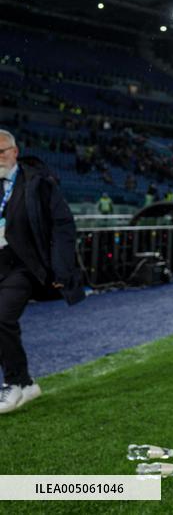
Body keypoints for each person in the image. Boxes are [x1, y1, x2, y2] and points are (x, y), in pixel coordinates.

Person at [0, 129, 85, 413]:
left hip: (23, 266)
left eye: (2, 151)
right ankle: (27, 386)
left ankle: (13, 384)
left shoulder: (38, 182)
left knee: (2, 317)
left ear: (15, 151)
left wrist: (62, 269)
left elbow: (63, 226)